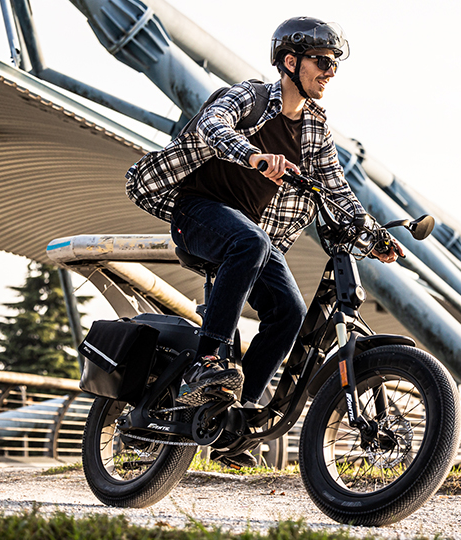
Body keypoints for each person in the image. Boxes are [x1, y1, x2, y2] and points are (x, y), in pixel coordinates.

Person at [125, 17, 402, 467]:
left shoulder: (315, 129)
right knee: (250, 242)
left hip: (249, 233)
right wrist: (253, 155)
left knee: (288, 312)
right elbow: (212, 125)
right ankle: (207, 362)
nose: (331, 71)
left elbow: (337, 190)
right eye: (322, 61)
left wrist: (375, 237)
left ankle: (234, 424)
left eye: (335, 64)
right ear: (290, 62)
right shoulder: (251, 97)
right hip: (197, 212)